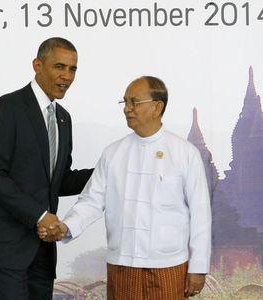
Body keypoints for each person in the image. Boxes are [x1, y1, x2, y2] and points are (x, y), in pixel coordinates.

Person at [39, 76, 211, 299]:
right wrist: (66, 227)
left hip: (168, 266)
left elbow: (200, 213)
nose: (127, 109)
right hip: (122, 265)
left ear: (157, 107)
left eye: (134, 102)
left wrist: (198, 267)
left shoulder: (185, 153)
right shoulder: (114, 153)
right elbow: (92, 200)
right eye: (125, 102)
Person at [0, 37, 93, 300]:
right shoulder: (6, 107)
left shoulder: (63, 118)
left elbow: (60, 181)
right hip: (8, 243)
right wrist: (40, 215)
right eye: (59, 66)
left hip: (43, 249)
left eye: (73, 69)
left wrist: (107, 169)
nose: (67, 76)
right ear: (37, 65)